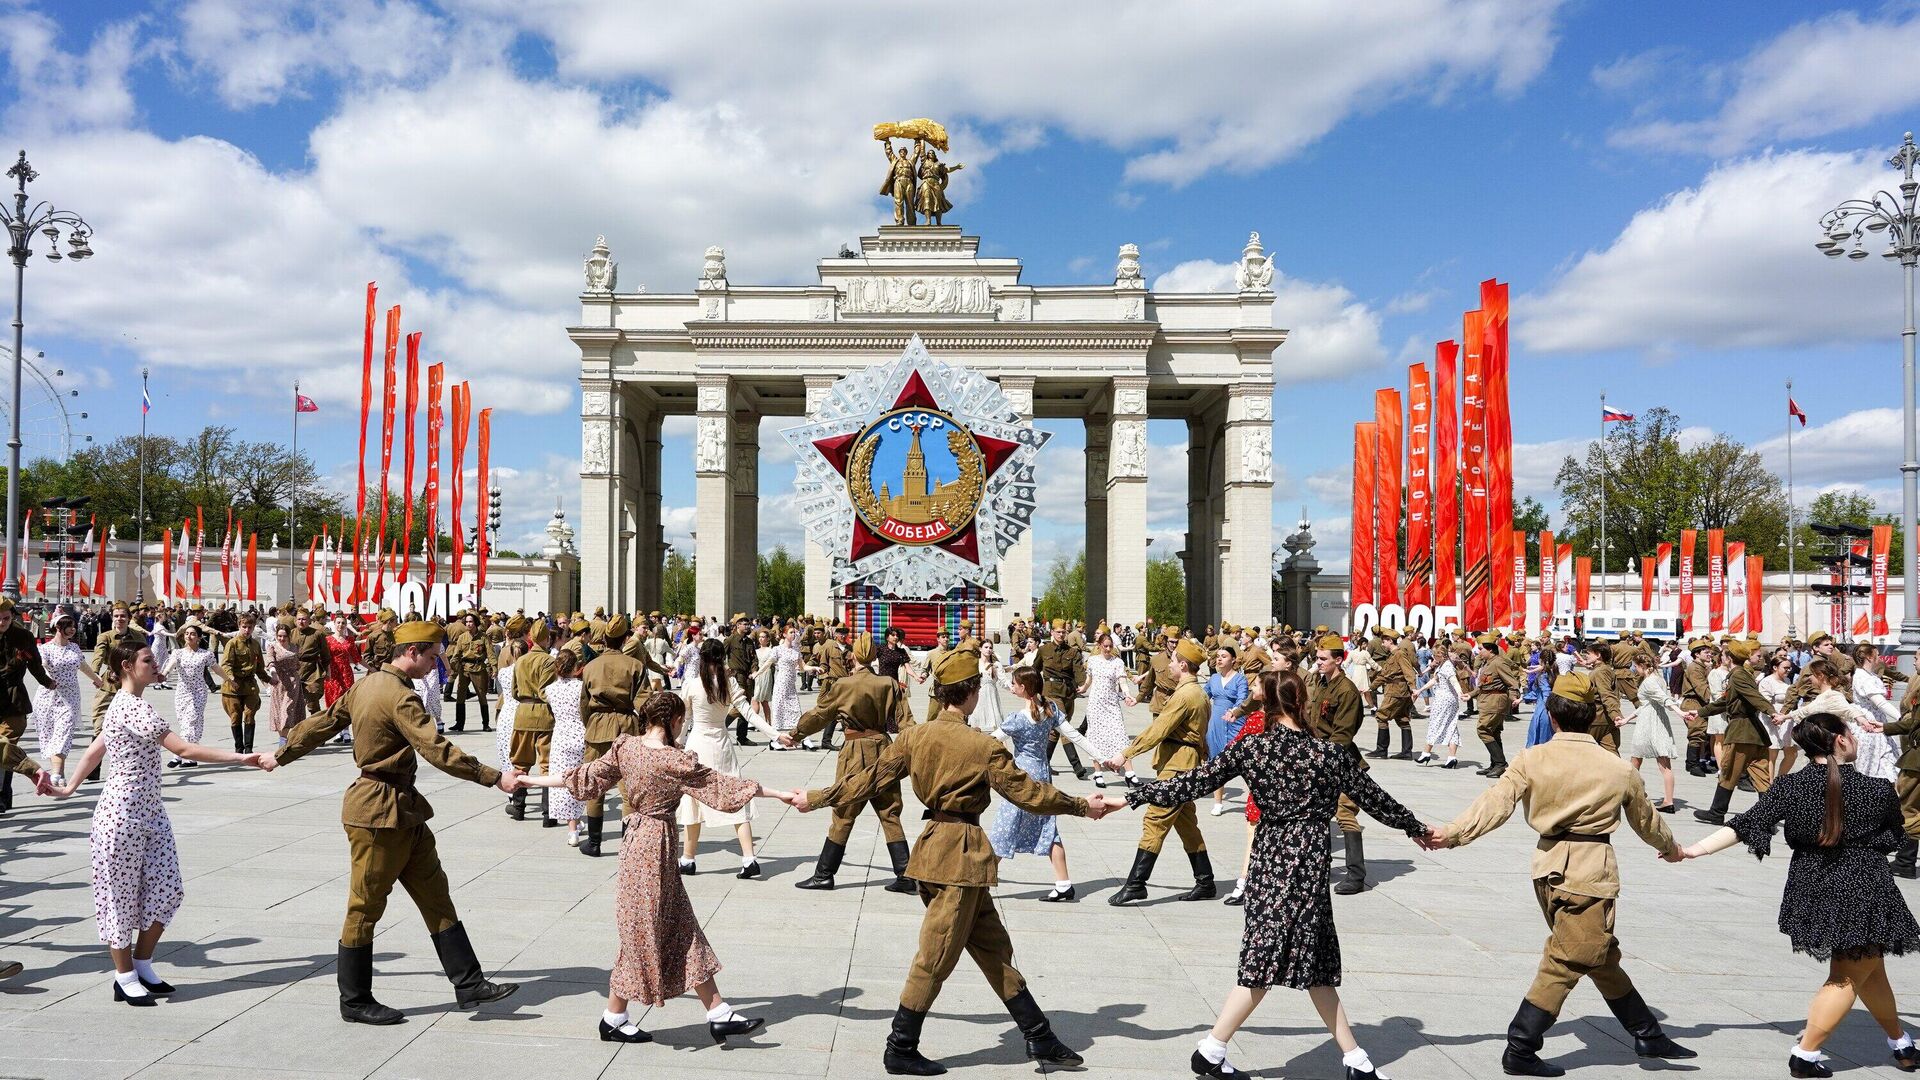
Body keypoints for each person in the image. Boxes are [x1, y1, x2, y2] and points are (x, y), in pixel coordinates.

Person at [792, 650, 1117, 1075]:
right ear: (971, 693)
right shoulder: (983, 746)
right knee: (936, 955)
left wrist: (817, 797)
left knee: (994, 950)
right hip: (959, 859)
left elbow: (867, 780)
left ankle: (1040, 1036)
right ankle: (900, 1047)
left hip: (934, 850)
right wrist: (1081, 806)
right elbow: (1029, 794)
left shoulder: (915, 737)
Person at [1128, 668, 1422, 1080]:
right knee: (1272, 961)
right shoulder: (1328, 754)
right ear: (1302, 702)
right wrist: (1417, 828)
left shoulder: (1254, 749)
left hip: (1270, 861)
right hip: (1307, 865)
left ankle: (1353, 1060)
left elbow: (1192, 783)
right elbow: (1375, 799)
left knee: (1311, 962)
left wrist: (1133, 796)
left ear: (1266, 704)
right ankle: (1213, 1049)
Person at [1429, 672, 1694, 1077]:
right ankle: (1520, 1046)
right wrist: (1671, 848)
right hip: (1590, 871)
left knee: (1598, 953)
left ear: (1552, 716)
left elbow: (1495, 804)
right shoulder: (1617, 768)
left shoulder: (1531, 758)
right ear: (1592, 716)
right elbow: (1647, 821)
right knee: (1569, 958)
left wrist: (1451, 834)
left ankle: (1648, 1033)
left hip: (1547, 866)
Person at [262, 620, 521, 1025]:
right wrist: (494, 777)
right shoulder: (401, 696)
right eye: (433, 656)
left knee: (436, 896)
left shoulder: (367, 685)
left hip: (404, 811)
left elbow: (325, 722)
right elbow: (436, 749)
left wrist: (282, 754)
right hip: (377, 814)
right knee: (364, 907)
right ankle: (355, 1001)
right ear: (412, 652)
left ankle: (469, 983)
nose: (436, 664)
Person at [520, 691, 792, 1045]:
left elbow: (584, 777)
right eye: (682, 720)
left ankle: (713, 1013)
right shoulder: (674, 760)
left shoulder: (627, 747)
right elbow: (725, 788)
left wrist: (529, 781)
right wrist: (779, 793)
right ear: (674, 720)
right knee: (645, 929)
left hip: (635, 840)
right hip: (655, 846)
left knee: (672, 925)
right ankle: (623, 1018)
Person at [1679, 712, 1920, 1078]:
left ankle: (1901, 1043)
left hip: (1812, 887)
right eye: (1851, 733)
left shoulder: (1791, 786)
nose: (1855, 739)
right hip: (1863, 887)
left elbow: (1745, 824)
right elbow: (1895, 836)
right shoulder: (1877, 789)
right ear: (1840, 740)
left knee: (1869, 968)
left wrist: (1693, 850)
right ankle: (1805, 1055)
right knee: (1847, 977)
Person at [54, 641, 267, 1006]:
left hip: (151, 812)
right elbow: (183, 750)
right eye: (148, 660)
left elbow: (96, 748)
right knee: (119, 896)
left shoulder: (127, 704)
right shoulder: (132, 706)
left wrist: (70, 786)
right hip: (121, 813)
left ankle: (142, 963)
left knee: (168, 890)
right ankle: (124, 976)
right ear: (127, 666)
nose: (156, 664)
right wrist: (241, 758)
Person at [784, 632, 917, 893]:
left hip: (854, 750)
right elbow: (906, 722)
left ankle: (824, 874)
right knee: (890, 813)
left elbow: (820, 715)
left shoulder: (843, 685)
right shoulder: (889, 683)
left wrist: (795, 734)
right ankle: (905, 875)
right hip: (883, 748)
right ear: (874, 656)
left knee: (843, 811)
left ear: (854, 655)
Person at [1105, 637, 1216, 905]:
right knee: (1186, 824)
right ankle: (1205, 882)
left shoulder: (1185, 695)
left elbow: (1159, 729)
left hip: (1178, 765)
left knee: (1155, 819)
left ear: (1184, 665)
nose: (1170, 665)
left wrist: (1125, 754)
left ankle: (1136, 884)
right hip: (1184, 762)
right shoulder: (1198, 693)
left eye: (1174, 660)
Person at [989, 667, 1099, 901]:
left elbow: (990, 741)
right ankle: (1063, 884)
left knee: (1004, 826)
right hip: (1043, 774)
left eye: (1014, 684)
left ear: (1023, 688)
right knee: (1048, 827)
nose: (1012, 687)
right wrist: (1100, 756)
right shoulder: (1050, 710)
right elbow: (1075, 736)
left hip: (1021, 778)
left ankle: (982, 881)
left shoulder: (1018, 719)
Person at [679, 637, 778, 876]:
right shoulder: (729, 683)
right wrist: (776, 735)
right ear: (722, 658)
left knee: (693, 799)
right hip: (722, 745)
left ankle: (688, 859)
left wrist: (677, 743)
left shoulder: (692, 684)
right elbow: (749, 714)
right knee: (735, 796)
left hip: (697, 745)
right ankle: (749, 858)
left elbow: (685, 720)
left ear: (702, 658)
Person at [1694, 639, 1781, 825]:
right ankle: (1768, 819)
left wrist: (1771, 712)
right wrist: (1700, 712)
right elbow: (1726, 702)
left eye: (1724, 654)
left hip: (1741, 732)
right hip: (1755, 733)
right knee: (1762, 777)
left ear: (1729, 658)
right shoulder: (1742, 674)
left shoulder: (1738, 675)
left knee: (1728, 772)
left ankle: (1717, 812)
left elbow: (1754, 696)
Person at [35, 612, 103, 788]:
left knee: (64, 732)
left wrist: (96, 679)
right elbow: (40, 667)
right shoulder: (45, 649)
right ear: (58, 627)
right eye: (69, 626)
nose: (73, 629)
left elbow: (83, 666)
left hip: (70, 697)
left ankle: (55, 773)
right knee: (51, 735)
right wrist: (46, 677)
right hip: (48, 697)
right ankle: (59, 773)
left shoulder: (74, 648)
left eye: (74, 626)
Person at [0, 597, 53, 811]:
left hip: (14, 700)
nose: (2, 623)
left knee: (6, 746)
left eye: (5, 618)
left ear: (12, 616)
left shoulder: (23, 636)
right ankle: (4, 796)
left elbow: (35, 664)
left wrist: (47, 682)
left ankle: (2, 796)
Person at [506, 621, 558, 820]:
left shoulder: (521, 661)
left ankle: (518, 807)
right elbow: (546, 691)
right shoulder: (549, 661)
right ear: (546, 639)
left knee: (520, 762)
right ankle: (548, 813)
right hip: (544, 714)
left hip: (523, 713)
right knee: (547, 765)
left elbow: (514, 691)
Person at [1623, 651, 1682, 813]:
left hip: (1648, 723)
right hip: (1659, 721)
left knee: (1636, 758)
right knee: (1664, 764)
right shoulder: (1659, 679)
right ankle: (1668, 801)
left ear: (1642, 666)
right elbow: (1649, 704)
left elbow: (1663, 699)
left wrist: (1681, 713)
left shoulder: (1649, 682)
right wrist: (1626, 719)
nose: (1635, 670)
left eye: (1635, 666)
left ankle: (1629, 793)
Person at [161, 623, 226, 768]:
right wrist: (164, 674)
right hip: (182, 693)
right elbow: (171, 665)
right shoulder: (178, 653)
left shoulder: (205, 654)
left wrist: (228, 680)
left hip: (198, 693)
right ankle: (192, 757)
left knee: (190, 723)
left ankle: (178, 755)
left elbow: (216, 668)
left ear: (199, 638)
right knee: (186, 724)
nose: (189, 636)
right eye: (186, 633)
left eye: (192, 634)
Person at [1079, 630, 1138, 788]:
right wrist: (1083, 688)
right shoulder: (1092, 661)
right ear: (1099, 646)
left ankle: (1130, 773)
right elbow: (1089, 679)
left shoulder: (1117, 662)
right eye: (1105, 646)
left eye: (1110, 646)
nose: (1108, 649)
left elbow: (1122, 682)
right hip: (1095, 704)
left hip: (1112, 704)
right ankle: (1098, 773)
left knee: (1120, 736)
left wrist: (1127, 695)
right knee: (1095, 737)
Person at [1036, 619, 1090, 780]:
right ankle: (1077, 766)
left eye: (1063, 632)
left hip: (1068, 693)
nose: (1061, 635)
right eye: (1058, 632)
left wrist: (1083, 685)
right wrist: (1032, 690)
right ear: (1052, 632)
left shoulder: (1072, 652)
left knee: (1055, 730)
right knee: (1064, 726)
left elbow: (1079, 672)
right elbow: (1034, 670)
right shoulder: (1044, 650)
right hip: (1051, 692)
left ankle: (1044, 763)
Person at [545, 649, 588, 844]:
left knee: (564, 780)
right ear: (575, 667)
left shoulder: (550, 689)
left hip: (561, 736)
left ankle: (572, 829)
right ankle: (576, 823)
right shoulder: (581, 687)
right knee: (580, 780)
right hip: (580, 733)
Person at [1203, 645, 1250, 816]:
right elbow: (1203, 696)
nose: (1219, 659)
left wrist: (1233, 711)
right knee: (1217, 762)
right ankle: (1218, 802)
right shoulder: (1214, 678)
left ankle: (1255, 799)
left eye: (1224, 656)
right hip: (1215, 723)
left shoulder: (1240, 679)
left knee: (1242, 762)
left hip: (1234, 722)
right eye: (1218, 656)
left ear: (1233, 660)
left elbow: (1242, 699)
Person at [219, 611, 267, 753]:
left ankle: (248, 749)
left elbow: (260, 668)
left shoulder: (255, 645)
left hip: (250, 686)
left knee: (250, 715)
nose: (247, 630)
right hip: (233, 687)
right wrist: (231, 678)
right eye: (244, 627)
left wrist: (270, 680)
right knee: (235, 717)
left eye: (250, 627)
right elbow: (226, 664)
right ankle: (239, 748)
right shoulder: (232, 643)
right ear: (239, 626)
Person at [1415, 640, 1464, 768]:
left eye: (1434, 656)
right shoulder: (1443, 665)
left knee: (1435, 723)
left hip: (1444, 699)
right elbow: (1434, 680)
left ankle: (1426, 753)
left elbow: (1454, 681)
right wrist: (1420, 690)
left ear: (1440, 655)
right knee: (1451, 726)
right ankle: (1452, 758)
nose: (1433, 658)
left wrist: (1460, 693)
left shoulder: (1447, 667)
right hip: (1449, 699)